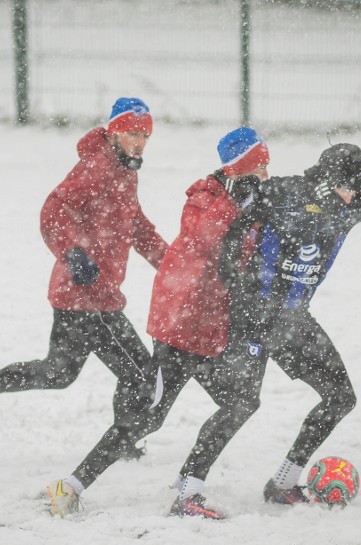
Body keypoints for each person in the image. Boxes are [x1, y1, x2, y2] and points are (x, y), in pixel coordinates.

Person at [168, 142, 361, 518]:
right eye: (346, 187)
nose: (351, 196)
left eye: (356, 188)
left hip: (293, 321)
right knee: (242, 403)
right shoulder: (283, 191)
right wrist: (234, 285)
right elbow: (233, 230)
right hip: (252, 317)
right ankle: (188, 492)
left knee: (340, 397)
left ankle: (283, 483)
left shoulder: (356, 201)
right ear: (328, 179)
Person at [44, 127, 270, 518]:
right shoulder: (204, 199)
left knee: (241, 401)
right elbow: (211, 238)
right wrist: (248, 209)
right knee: (147, 418)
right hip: (181, 328)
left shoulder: (245, 199)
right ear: (243, 169)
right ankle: (69, 487)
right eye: (261, 167)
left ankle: (189, 489)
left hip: (212, 329)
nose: (267, 177)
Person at [0, 98, 168, 460]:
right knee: (141, 373)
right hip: (89, 296)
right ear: (114, 132)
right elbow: (52, 211)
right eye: (131, 133)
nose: (139, 142)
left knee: (57, 373)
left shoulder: (125, 171)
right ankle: (124, 446)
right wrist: (73, 252)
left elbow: (138, 228)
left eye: (145, 135)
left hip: (77, 294)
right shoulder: (98, 168)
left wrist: (172, 266)